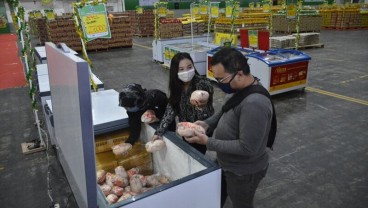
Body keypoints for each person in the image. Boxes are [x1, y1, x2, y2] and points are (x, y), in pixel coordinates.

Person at [184, 47, 274, 208]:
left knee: (241, 204)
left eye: (221, 80)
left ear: (239, 74)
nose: (219, 84)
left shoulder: (254, 104)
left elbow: (247, 147)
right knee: (219, 194)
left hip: (243, 172)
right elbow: (226, 110)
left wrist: (208, 141)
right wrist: (207, 124)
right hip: (227, 163)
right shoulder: (238, 89)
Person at [151, 52, 215, 154]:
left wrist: (200, 106)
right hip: (185, 130)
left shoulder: (203, 84)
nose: (186, 71)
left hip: (201, 130)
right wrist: (159, 132)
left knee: (198, 156)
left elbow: (206, 115)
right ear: (175, 71)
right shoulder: (177, 86)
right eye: (181, 69)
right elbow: (171, 109)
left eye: (189, 67)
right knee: (188, 152)